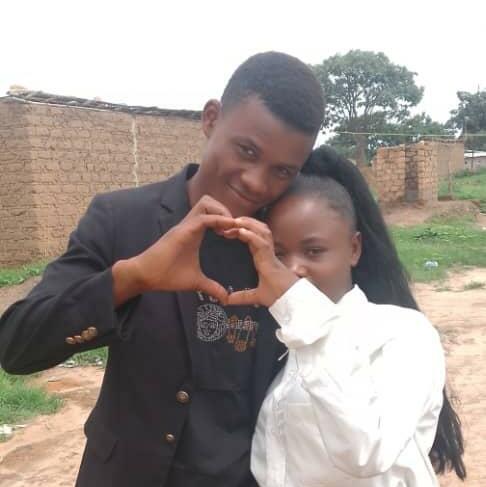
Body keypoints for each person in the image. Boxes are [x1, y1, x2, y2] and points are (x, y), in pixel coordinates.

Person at [0, 52, 324, 487]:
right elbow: (17, 347)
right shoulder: (122, 219)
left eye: (282, 171)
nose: (256, 181)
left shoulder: (286, 247)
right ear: (211, 118)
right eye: (246, 151)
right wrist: (130, 279)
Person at [226, 147, 466, 486]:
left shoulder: (402, 333)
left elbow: (367, 451)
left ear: (353, 248)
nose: (294, 268)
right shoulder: (285, 345)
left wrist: (300, 313)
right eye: (277, 254)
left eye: (313, 251)